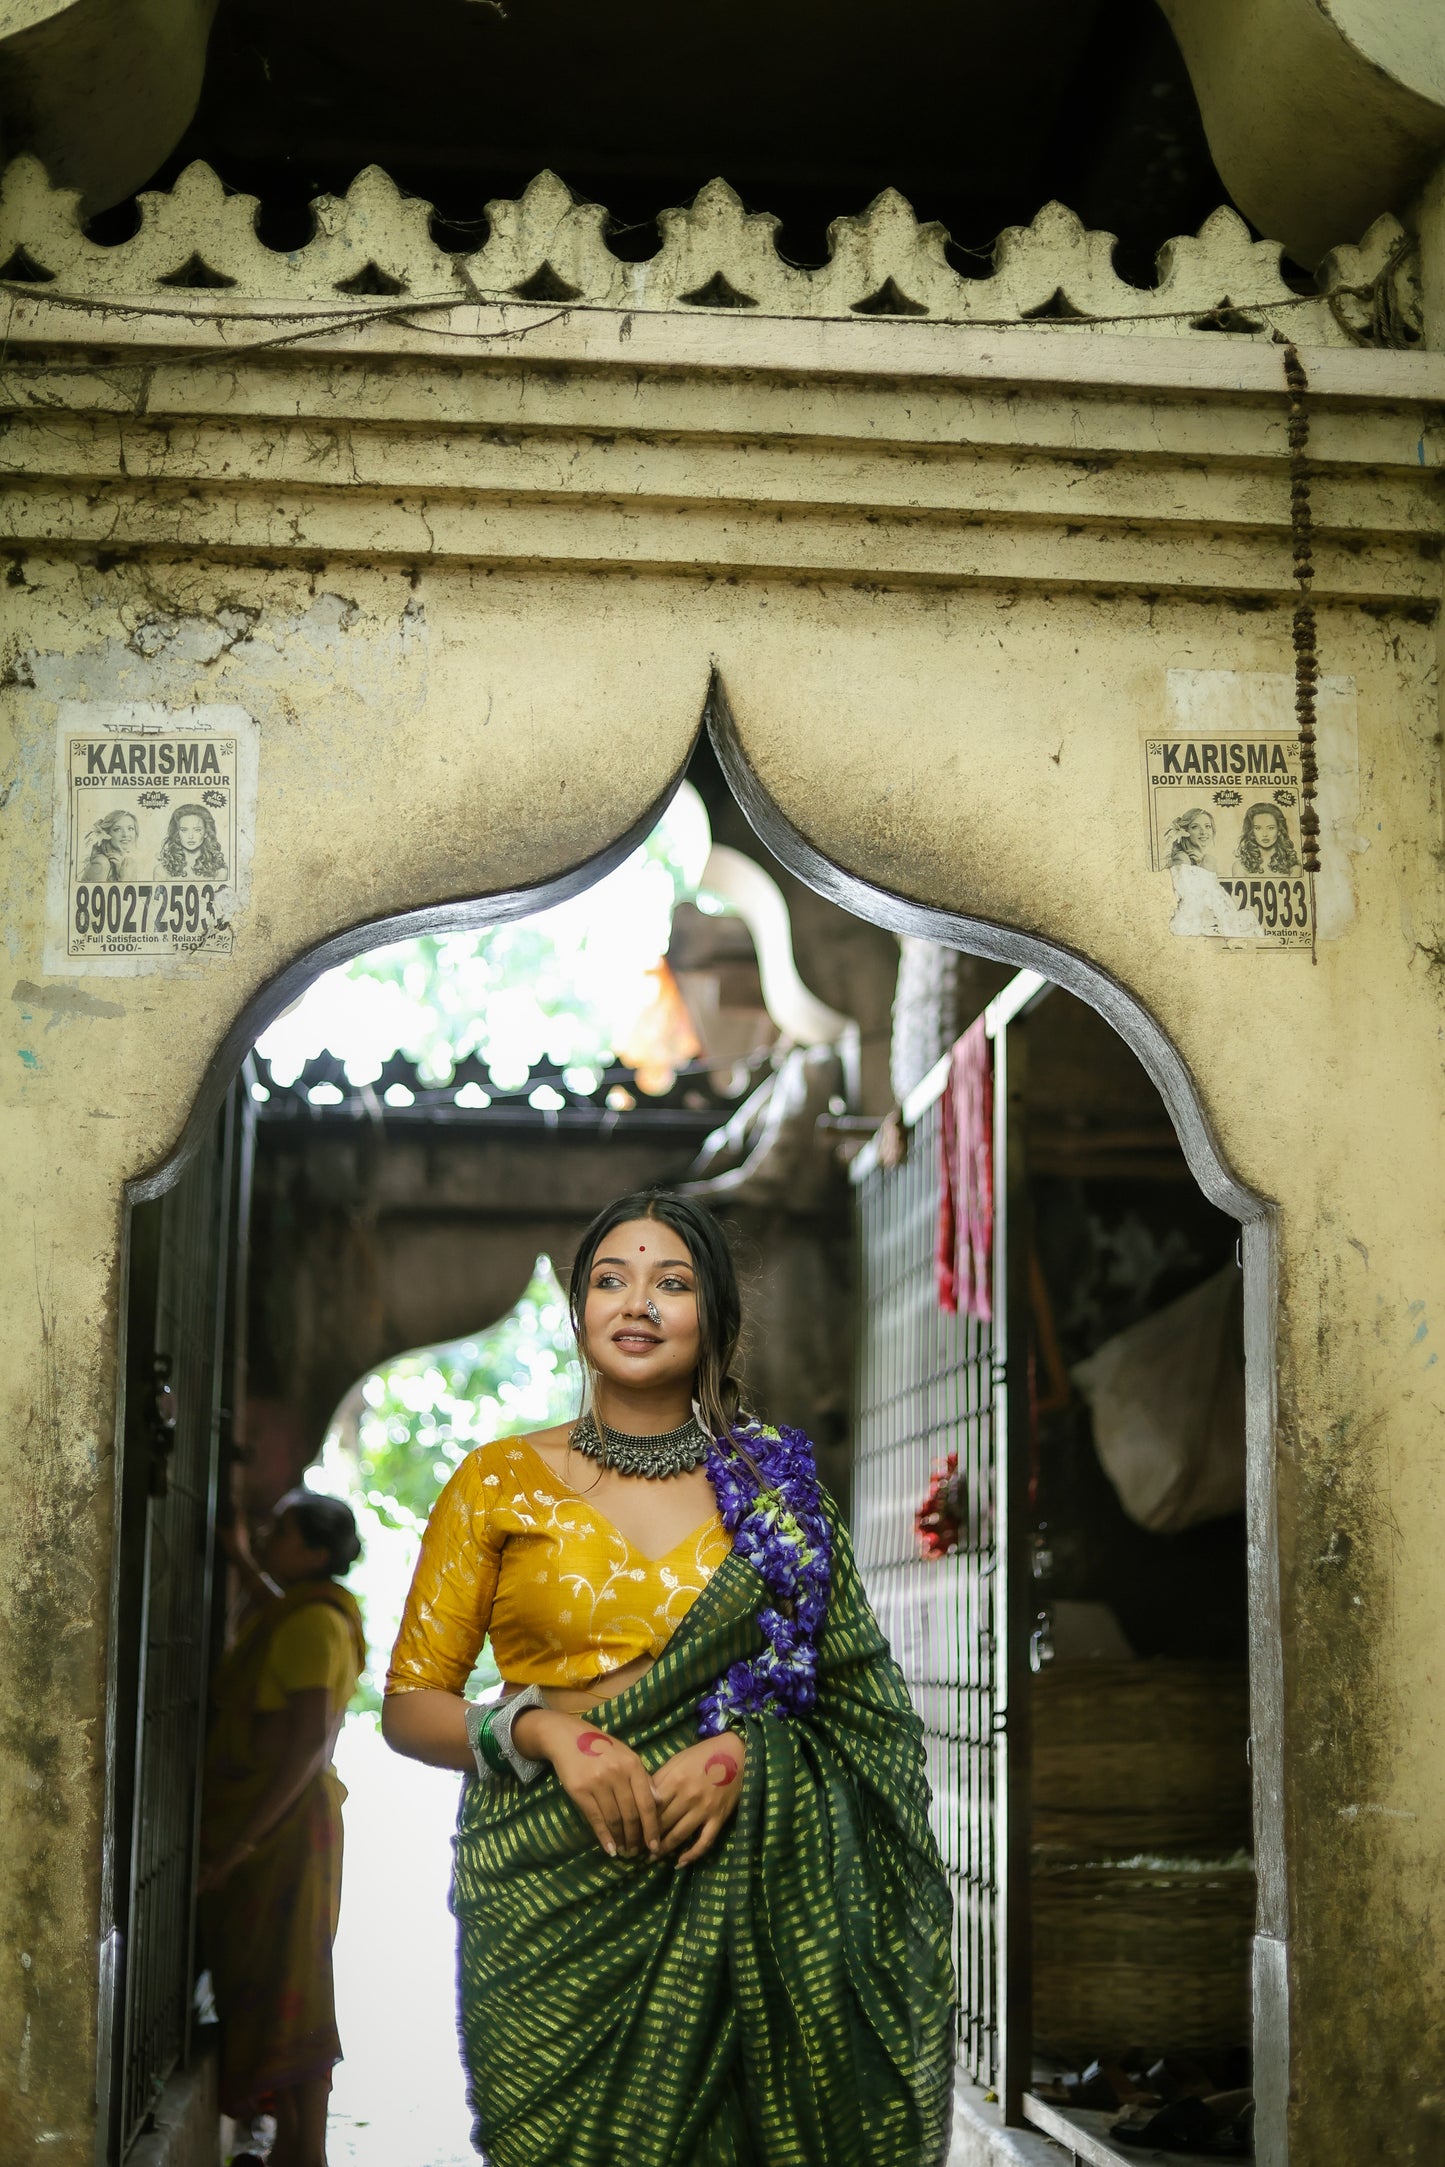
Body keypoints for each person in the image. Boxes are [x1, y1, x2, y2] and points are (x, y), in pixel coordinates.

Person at [383, 1190, 957, 2167]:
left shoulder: (779, 1496)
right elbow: (411, 1706)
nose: (636, 1303)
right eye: (610, 1279)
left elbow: (867, 1718)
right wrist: (544, 1734)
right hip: (552, 1903)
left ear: (714, 1318)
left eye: (671, 1282)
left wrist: (747, 1754)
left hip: (748, 1893)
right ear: (578, 1311)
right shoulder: (496, 1482)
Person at [199, 1489, 366, 2167]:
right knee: (273, 1983)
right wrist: (240, 1559)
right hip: (285, 1821)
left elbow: (305, 1742)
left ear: (316, 1552)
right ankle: (295, 2146)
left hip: (284, 1829)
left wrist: (241, 1845)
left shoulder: (314, 1625)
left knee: (289, 1985)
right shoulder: (303, 1614)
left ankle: (308, 2151)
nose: (268, 1530)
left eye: (282, 1528)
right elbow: (277, 1615)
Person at [154, 801, 228, 880]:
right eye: (184, 830)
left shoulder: (220, 872)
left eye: (197, 830)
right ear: (177, 833)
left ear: (206, 833)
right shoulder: (161, 871)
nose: (190, 836)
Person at [1232, 801, 1301, 877]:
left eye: (1271, 828)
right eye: (1258, 828)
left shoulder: (1294, 868)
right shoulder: (1240, 867)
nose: (1265, 834)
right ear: (1251, 831)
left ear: (1279, 830)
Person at [80, 808, 140, 881]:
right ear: (106, 833)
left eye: (130, 828)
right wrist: (123, 878)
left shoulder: (130, 863)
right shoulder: (102, 863)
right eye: (118, 829)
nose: (126, 834)